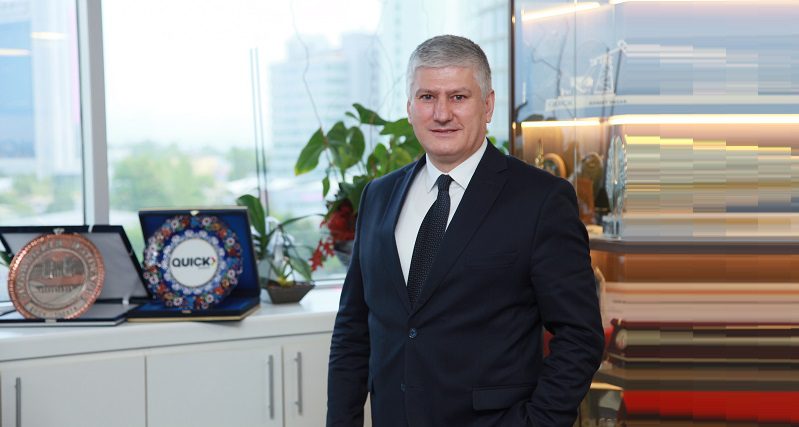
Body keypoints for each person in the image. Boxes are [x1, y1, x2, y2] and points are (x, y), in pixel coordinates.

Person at [327, 34, 604, 427]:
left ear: (487, 105)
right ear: (409, 107)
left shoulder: (541, 200)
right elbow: (353, 329)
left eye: (458, 97)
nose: (441, 114)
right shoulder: (378, 196)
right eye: (427, 97)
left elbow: (580, 336)